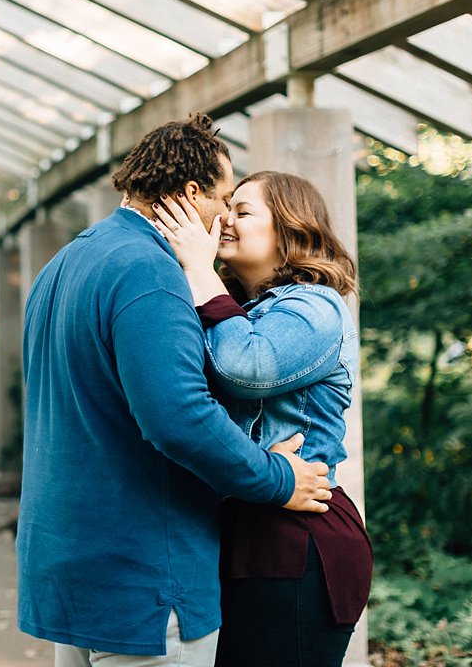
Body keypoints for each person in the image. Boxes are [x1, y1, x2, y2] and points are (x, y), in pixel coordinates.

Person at [17, 114, 332, 667]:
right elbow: (179, 417)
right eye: (224, 198)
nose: (226, 217)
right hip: (142, 573)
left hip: (68, 561)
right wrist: (277, 477)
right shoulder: (151, 271)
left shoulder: (63, 265)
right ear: (192, 194)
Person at [150, 170, 373, 667]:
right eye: (226, 206)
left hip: (298, 536)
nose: (224, 219)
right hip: (242, 526)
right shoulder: (236, 311)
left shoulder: (316, 305)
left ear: (290, 228)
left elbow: (246, 367)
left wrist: (200, 270)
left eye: (243, 211)